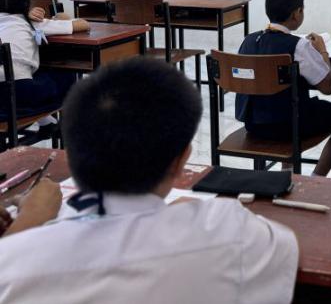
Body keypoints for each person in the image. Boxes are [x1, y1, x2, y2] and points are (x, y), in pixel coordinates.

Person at [0, 57, 299, 303]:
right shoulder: (234, 233)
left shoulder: (13, 263)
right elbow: (286, 249)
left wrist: (28, 223)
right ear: (182, 159)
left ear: (70, 150)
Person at [236, 0, 331, 176]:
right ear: (296, 13)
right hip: (289, 126)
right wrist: (322, 52)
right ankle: (317, 176)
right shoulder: (298, 46)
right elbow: (327, 87)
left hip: (254, 124)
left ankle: (287, 171)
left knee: (286, 103)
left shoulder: (248, 41)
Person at [0, 0, 89, 125]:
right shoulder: (30, 22)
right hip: (20, 94)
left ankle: (43, 120)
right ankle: (60, 124)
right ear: (25, 4)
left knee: (39, 74)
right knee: (66, 72)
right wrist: (62, 17)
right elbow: (83, 24)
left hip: (3, 101)